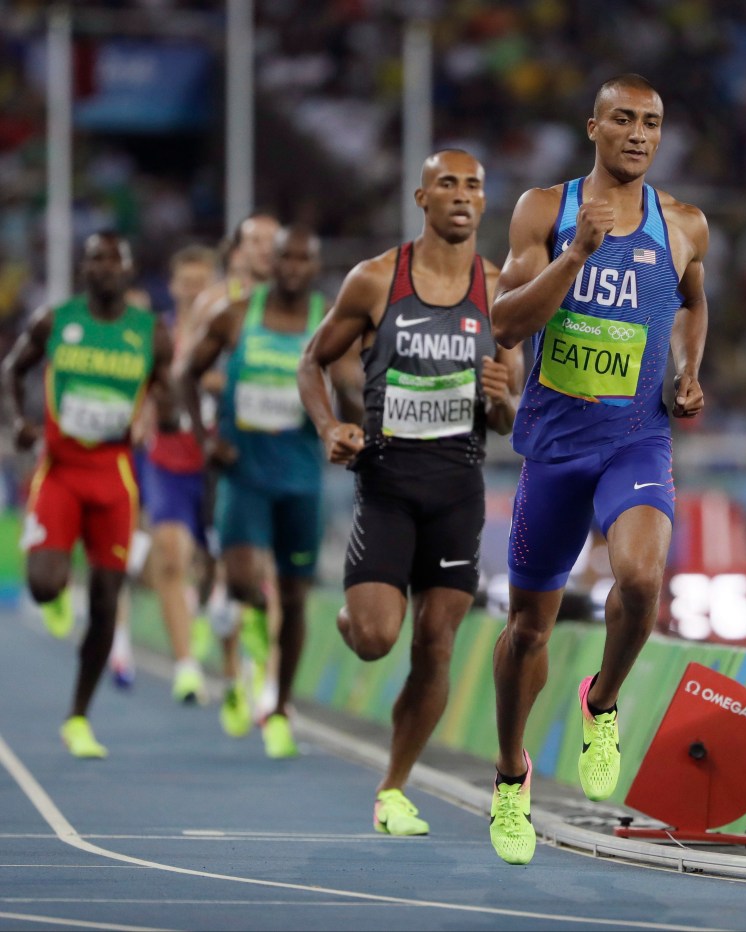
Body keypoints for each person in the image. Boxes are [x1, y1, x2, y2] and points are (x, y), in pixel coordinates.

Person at [486, 73, 709, 865]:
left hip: (634, 440)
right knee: (526, 629)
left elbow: (689, 303)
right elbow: (505, 322)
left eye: (651, 122)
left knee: (642, 578)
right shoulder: (544, 212)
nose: (639, 133)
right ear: (594, 127)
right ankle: (511, 776)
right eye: (623, 119)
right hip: (553, 446)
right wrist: (573, 257)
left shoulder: (682, 223)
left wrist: (687, 371)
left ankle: (603, 701)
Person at [297, 148, 522, 836]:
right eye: (446, 184)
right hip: (388, 485)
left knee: (436, 645)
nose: (461, 195)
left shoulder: (499, 291)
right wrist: (332, 424)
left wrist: (502, 398)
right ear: (421, 198)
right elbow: (313, 359)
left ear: (485, 203)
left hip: (458, 492)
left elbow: (511, 416)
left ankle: (394, 788)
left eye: (473, 186)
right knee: (374, 639)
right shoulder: (375, 281)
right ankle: (352, 616)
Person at [0, 231, 175, 757]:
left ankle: (77, 717)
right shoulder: (56, 321)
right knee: (45, 586)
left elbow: (166, 385)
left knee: (104, 602)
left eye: (113, 259)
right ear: (84, 269)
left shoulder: (150, 333)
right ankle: (53, 593)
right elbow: (13, 368)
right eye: (94, 258)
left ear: (128, 270)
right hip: (60, 469)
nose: (103, 267)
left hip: (114, 476)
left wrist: (154, 415)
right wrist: (17, 424)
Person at [180, 225, 338, 758]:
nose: (292, 267)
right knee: (246, 581)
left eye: (303, 258)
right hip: (244, 473)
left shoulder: (328, 318)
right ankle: (247, 635)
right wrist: (207, 439)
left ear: (315, 266)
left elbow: (355, 380)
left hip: (301, 477)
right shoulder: (235, 315)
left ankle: (278, 706)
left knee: (294, 599)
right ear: (269, 262)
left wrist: (351, 422)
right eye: (284, 257)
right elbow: (185, 374)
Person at [140, 245, 221, 704]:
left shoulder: (228, 331)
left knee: (220, 565)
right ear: (171, 287)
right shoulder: (158, 333)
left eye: (201, 282)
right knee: (171, 555)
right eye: (184, 283)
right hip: (167, 462)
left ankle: (212, 608)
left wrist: (198, 379)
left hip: (217, 462)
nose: (192, 292)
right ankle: (187, 666)